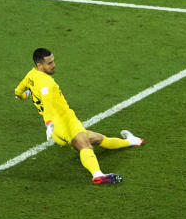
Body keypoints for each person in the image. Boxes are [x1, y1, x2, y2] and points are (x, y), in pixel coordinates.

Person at [14, 47, 143, 184]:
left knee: (98, 138)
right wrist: (48, 123)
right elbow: (47, 103)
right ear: (40, 65)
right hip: (65, 122)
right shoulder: (47, 83)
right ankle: (98, 174)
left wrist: (26, 95)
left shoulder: (30, 76)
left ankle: (132, 141)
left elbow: (18, 92)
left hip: (57, 132)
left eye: (53, 61)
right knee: (85, 145)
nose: (54, 65)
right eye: (49, 63)